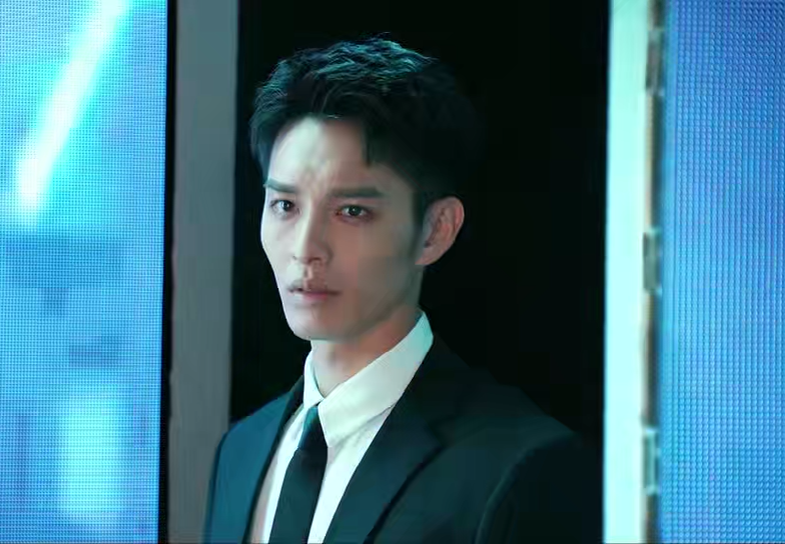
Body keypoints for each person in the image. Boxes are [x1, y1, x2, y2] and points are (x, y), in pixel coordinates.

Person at [202, 38, 599, 543]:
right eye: (285, 206)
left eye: (352, 212)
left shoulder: (521, 469)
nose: (305, 249)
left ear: (435, 231)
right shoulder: (241, 451)